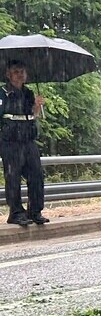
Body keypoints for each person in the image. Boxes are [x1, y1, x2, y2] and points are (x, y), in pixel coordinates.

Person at [1, 60, 47, 227]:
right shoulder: (3, 93)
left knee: (36, 175)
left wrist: (37, 106)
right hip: (10, 142)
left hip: (28, 140)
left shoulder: (28, 93)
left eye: (22, 71)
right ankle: (16, 213)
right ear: (8, 74)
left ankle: (35, 211)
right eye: (16, 71)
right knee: (13, 177)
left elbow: (32, 116)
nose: (20, 74)